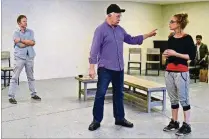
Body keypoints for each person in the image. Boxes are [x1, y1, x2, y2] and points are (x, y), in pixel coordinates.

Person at [88, 4, 157, 131]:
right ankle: (96, 120)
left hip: (119, 69)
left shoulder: (120, 30)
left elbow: (131, 39)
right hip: (105, 69)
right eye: (118, 16)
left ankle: (119, 118)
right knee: (100, 94)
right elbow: (94, 49)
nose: (120, 18)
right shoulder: (100, 30)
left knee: (119, 94)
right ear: (109, 15)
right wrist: (91, 67)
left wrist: (147, 35)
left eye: (120, 16)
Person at [163, 13, 196, 136]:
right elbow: (171, 54)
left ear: (179, 23)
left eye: (172, 21)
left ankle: (187, 125)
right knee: (173, 99)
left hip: (181, 73)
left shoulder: (188, 38)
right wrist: (167, 54)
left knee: (184, 99)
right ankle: (174, 121)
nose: (170, 23)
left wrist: (175, 54)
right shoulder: (171, 37)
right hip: (169, 72)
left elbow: (190, 56)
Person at [8, 15, 41, 104]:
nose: (26, 23)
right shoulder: (15, 33)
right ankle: (11, 96)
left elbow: (33, 43)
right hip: (19, 57)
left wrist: (21, 40)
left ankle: (33, 94)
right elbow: (20, 45)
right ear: (19, 23)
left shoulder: (31, 32)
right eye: (24, 21)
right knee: (15, 77)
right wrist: (28, 42)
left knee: (31, 76)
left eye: (26, 21)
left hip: (29, 56)